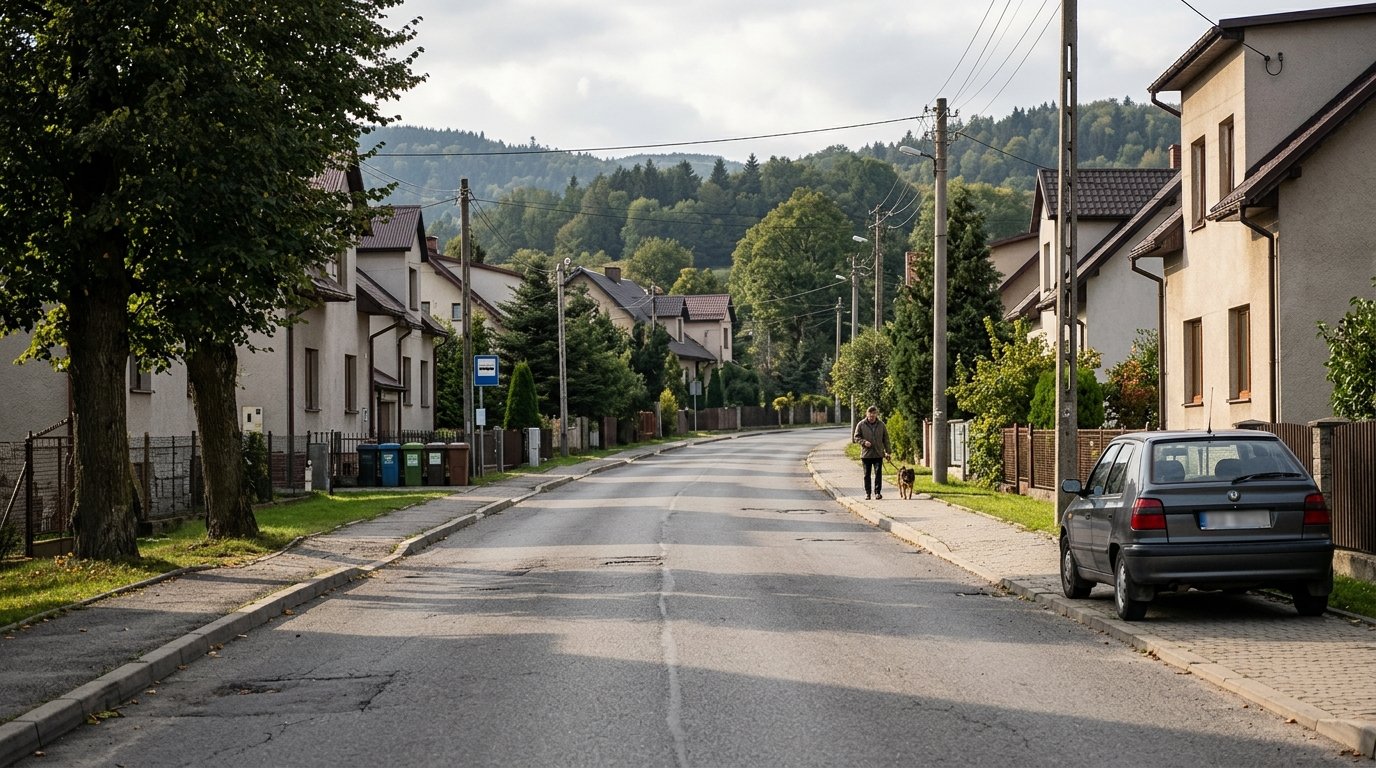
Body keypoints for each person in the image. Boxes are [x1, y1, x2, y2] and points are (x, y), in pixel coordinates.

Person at [852, 405, 891, 499]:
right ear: (867, 414)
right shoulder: (861, 424)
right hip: (866, 454)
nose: (872, 418)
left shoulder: (881, 425)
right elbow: (856, 437)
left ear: (876, 415)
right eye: (870, 416)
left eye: (873, 416)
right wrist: (864, 442)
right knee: (867, 475)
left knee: (878, 473)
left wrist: (888, 452)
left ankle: (878, 493)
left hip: (878, 453)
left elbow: (886, 439)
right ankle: (868, 493)